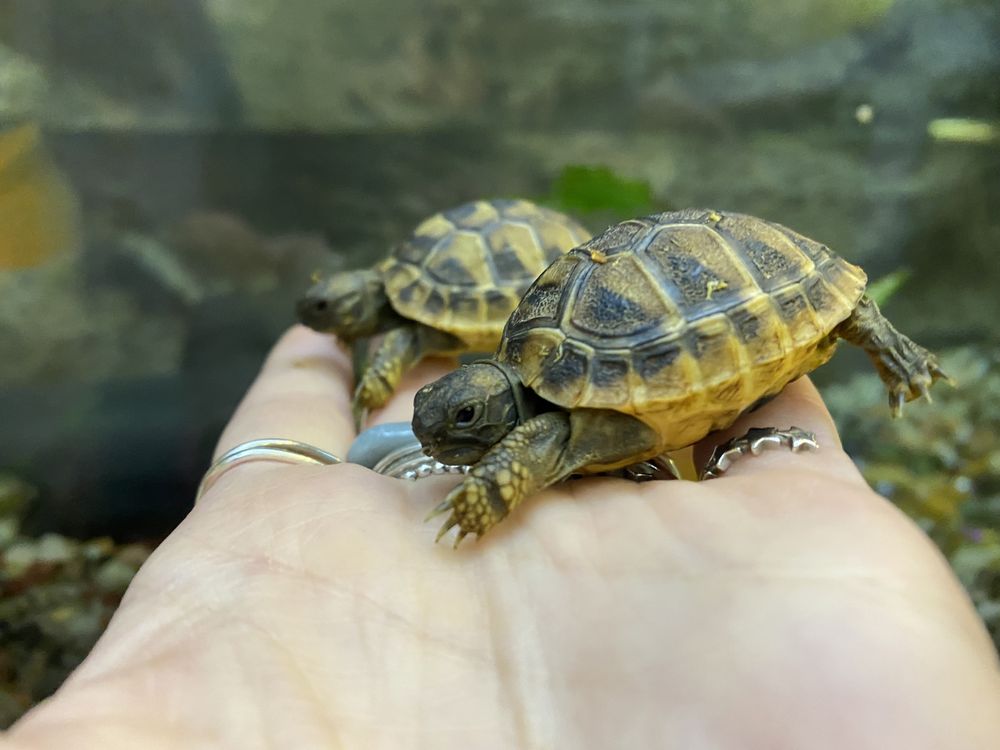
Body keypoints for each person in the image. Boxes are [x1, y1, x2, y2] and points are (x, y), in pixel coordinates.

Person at [6, 326, 1000, 748]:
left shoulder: (537, 427)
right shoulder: (517, 409)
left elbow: (532, 447)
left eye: (462, 430)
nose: (442, 439)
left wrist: (485, 493)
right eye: (443, 420)